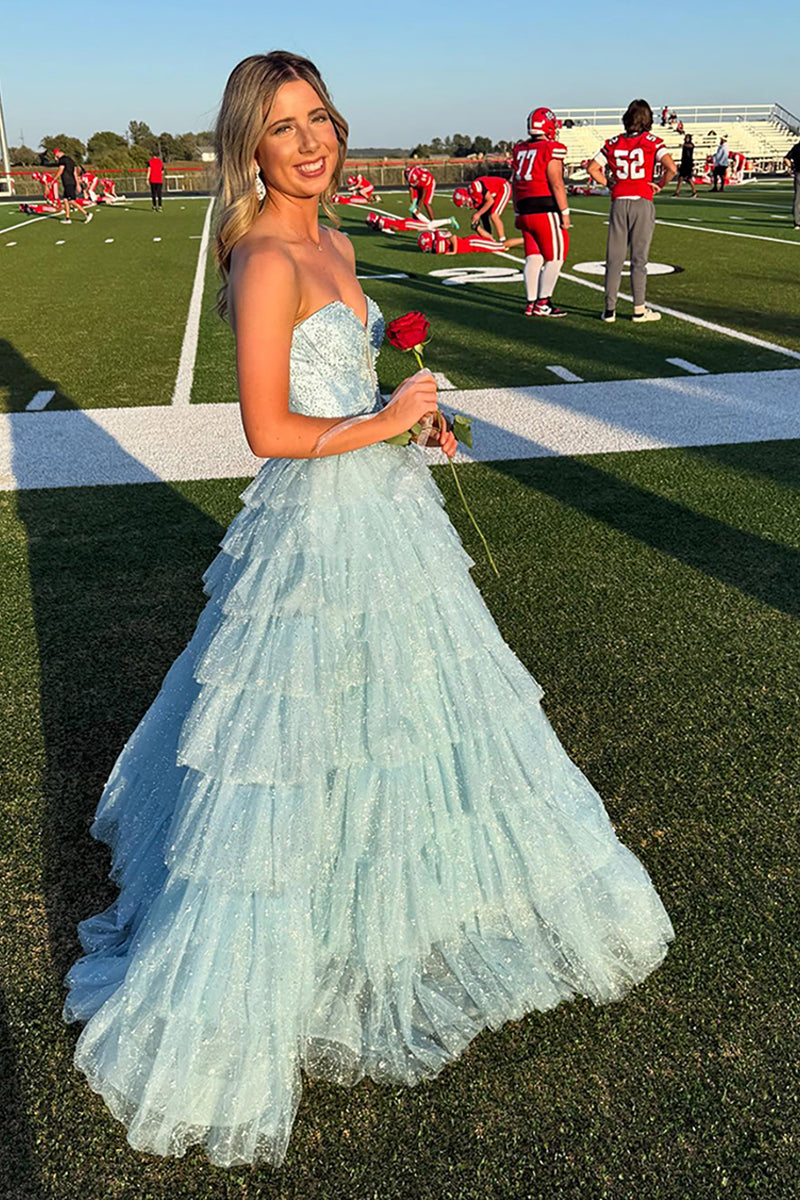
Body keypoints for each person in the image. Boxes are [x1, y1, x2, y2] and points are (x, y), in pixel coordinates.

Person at [61, 50, 674, 1170]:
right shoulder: (261, 257)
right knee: (299, 734)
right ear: (248, 142)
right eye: (283, 126)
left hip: (382, 508)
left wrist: (409, 425)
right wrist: (387, 420)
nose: (310, 141)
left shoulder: (337, 240)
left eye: (320, 119)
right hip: (316, 521)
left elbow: (333, 396)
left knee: (409, 711)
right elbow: (266, 432)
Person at [588, 98, 676, 323]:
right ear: (647, 120)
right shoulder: (651, 141)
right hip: (641, 201)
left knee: (614, 258)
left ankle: (609, 310)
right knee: (639, 259)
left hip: (619, 201)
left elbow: (592, 168)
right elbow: (671, 168)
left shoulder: (613, 142)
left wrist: (609, 183)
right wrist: (659, 184)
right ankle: (639, 309)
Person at [510, 106, 571, 317]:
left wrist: (517, 210)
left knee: (533, 257)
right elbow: (556, 183)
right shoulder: (551, 148)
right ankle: (543, 302)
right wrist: (565, 212)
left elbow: (514, 183)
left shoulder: (520, 149)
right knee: (556, 257)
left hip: (525, 209)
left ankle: (530, 303)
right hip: (544, 210)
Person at [462, 175, 512, 241]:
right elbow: (484, 215)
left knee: (494, 215)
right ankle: (490, 237)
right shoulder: (474, 197)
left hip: (503, 187)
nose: (467, 205)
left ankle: (502, 240)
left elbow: (490, 201)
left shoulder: (475, 187)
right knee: (484, 215)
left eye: (465, 202)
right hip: (495, 192)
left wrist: (478, 214)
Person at [52, 147, 93, 224]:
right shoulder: (70, 160)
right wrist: (77, 184)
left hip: (68, 182)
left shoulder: (62, 160)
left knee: (71, 201)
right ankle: (67, 218)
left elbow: (60, 170)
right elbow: (75, 173)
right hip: (71, 182)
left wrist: (54, 179)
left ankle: (86, 214)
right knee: (65, 200)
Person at [417, 228, 523, 254]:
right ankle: (478, 228)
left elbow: (453, 237)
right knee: (492, 242)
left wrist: (454, 251)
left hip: (472, 243)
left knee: (501, 246)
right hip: (471, 242)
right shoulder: (438, 238)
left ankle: (526, 239)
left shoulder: (439, 238)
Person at [783, 137, 800, 228]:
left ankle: (797, 222)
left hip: (798, 173)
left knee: (797, 200)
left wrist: (791, 167)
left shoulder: (796, 147)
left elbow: (786, 158)